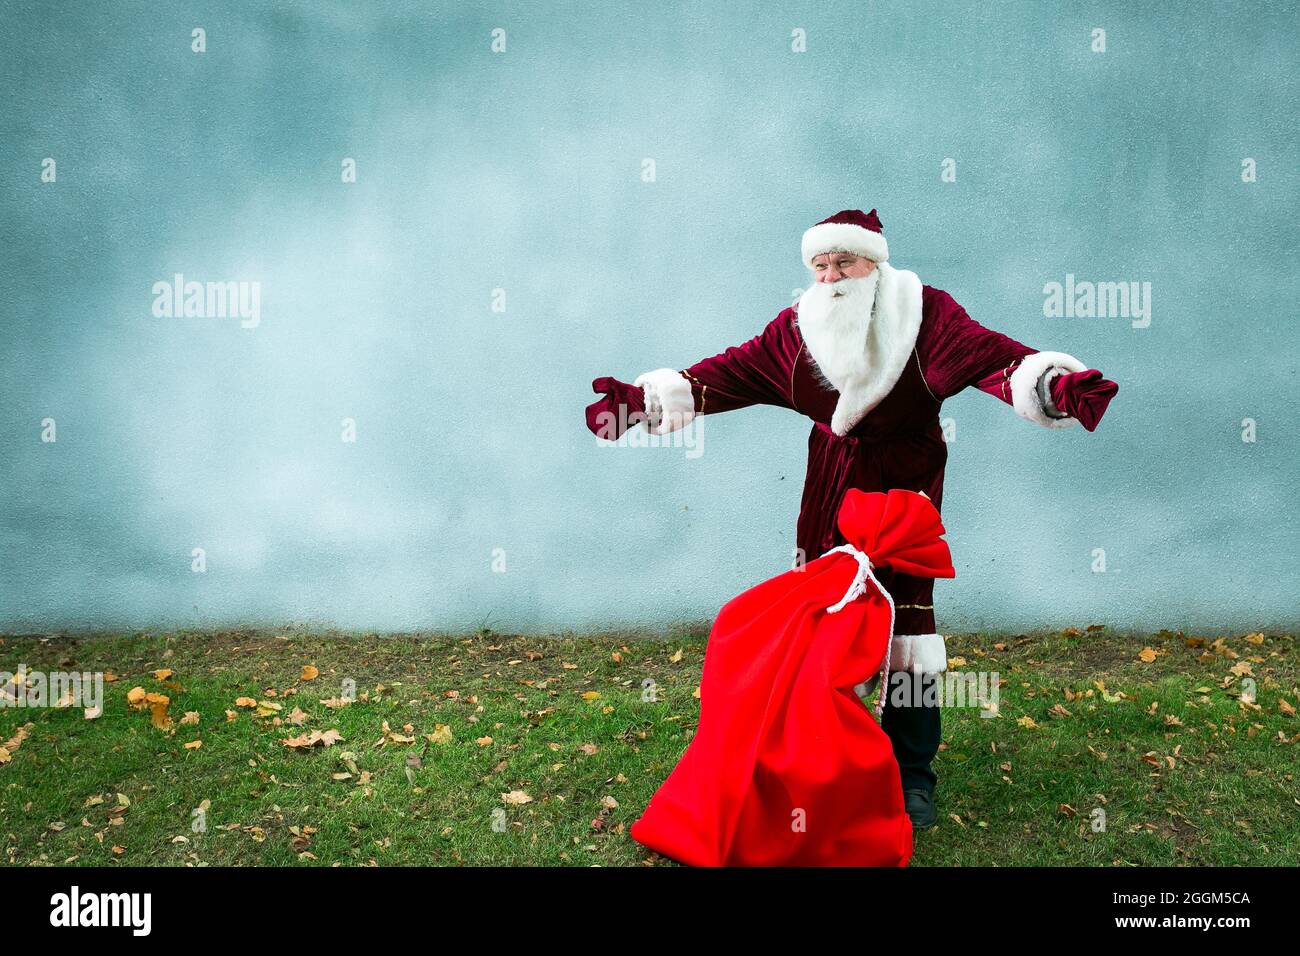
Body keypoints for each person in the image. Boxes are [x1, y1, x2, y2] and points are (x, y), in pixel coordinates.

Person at [584, 208, 1119, 829]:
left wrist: (1054, 385)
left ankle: (913, 775)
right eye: (821, 265)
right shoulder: (797, 328)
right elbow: (730, 373)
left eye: (845, 261)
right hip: (829, 491)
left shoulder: (926, 314)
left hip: (904, 492)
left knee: (908, 636)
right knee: (822, 622)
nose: (833, 275)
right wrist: (647, 401)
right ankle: (820, 763)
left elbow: (990, 361)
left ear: (873, 261)